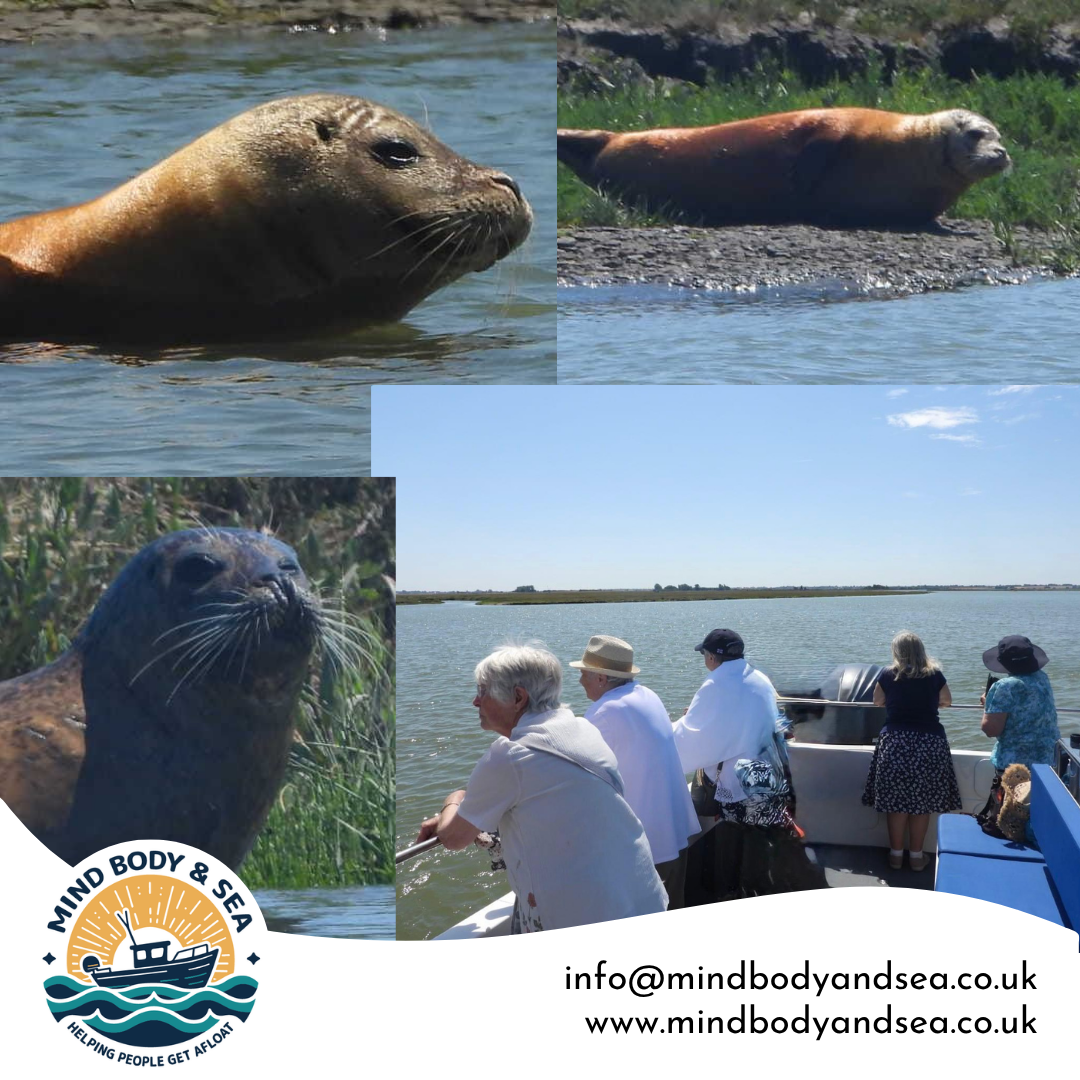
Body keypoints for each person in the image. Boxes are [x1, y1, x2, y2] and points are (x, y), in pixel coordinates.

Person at [416, 643, 667, 932]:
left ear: (518, 697)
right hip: (641, 893)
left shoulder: (509, 756)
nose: (475, 701)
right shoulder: (583, 728)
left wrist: (456, 799)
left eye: (483, 691)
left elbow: (453, 837)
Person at [671, 628, 813, 900]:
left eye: (705, 654)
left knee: (737, 844)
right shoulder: (759, 678)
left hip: (739, 782)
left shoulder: (714, 685)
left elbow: (694, 737)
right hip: (768, 774)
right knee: (762, 839)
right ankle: (764, 889)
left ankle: (738, 894)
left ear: (712, 657)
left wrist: (666, 733)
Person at [571, 634, 700, 908]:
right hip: (675, 830)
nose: (579, 680)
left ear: (601, 678)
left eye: (583, 673)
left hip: (647, 846)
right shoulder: (647, 695)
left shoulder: (603, 713)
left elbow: (575, 778)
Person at [862, 630, 961, 872]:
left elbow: (877, 701)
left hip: (896, 742)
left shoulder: (888, 674)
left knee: (896, 804)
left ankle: (896, 856)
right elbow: (947, 700)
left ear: (896, 652)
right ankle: (916, 857)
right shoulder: (934, 674)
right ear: (921, 651)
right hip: (929, 742)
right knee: (921, 803)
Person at [980, 635, 1059, 771]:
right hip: (1048, 760)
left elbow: (991, 730)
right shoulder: (1042, 677)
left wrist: (988, 704)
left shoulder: (1005, 686)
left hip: (1017, 767)